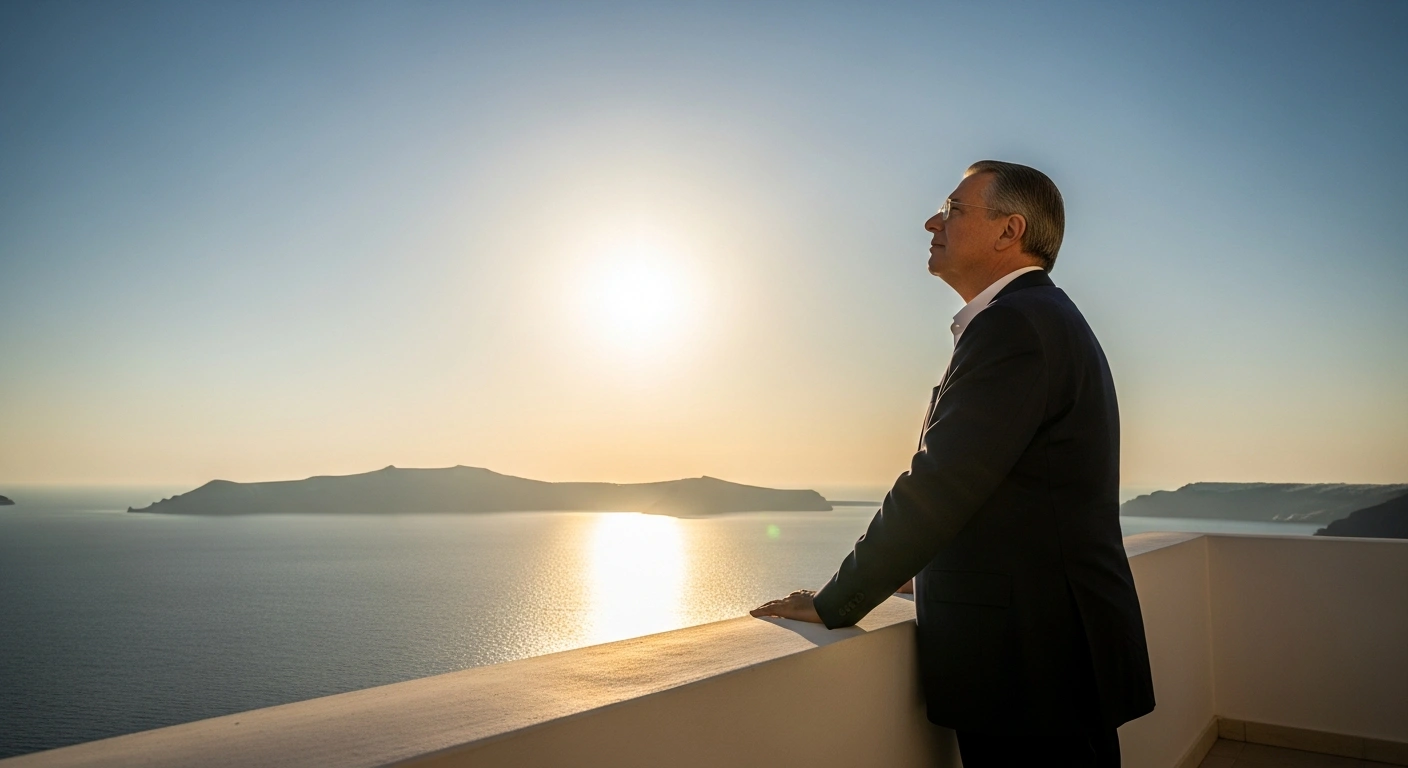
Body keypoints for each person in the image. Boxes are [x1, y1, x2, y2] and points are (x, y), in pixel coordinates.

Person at [750, 161, 1155, 766]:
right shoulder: (1041, 317)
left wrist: (838, 600)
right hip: (1053, 655)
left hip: (1033, 663)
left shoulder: (1014, 325)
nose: (932, 222)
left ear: (1009, 231)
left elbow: (941, 482)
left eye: (954, 209)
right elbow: (1012, 492)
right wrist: (924, 572)